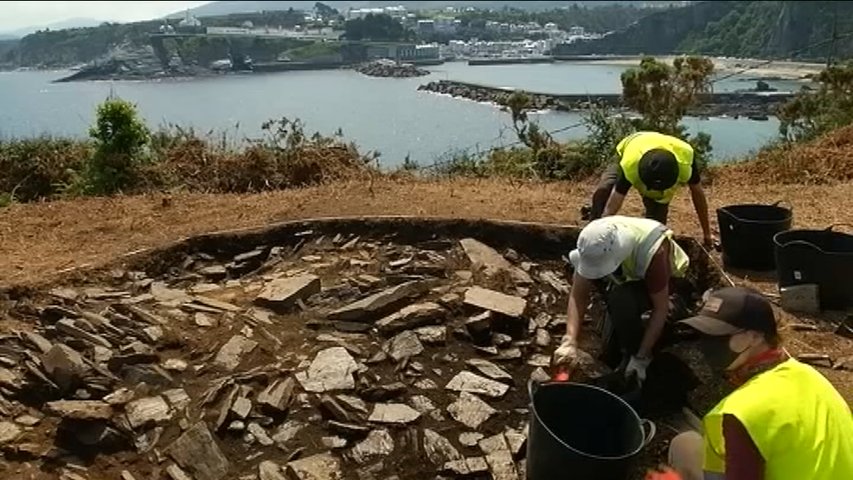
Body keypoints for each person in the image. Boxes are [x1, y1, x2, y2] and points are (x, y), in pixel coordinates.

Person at [663, 286, 853, 480]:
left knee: (684, 446)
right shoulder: (809, 376)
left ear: (755, 337)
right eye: (704, 335)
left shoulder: (741, 412)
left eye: (719, 336)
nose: (707, 345)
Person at [553, 215, 690, 384]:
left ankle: (639, 350)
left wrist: (641, 356)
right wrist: (570, 340)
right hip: (628, 277)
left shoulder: (653, 250)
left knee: (622, 298)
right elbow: (578, 294)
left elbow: (659, 308)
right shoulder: (593, 244)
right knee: (619, 300)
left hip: (668, 284)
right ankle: (620, 339)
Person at [585, 131, 713, 247]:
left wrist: (707, 234)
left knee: (656, 230)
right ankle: (591, 232)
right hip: (631, 146)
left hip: (664, 151)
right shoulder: (630, 165)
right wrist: (601, 229)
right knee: (604, 189)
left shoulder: (685, 163)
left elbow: (698, 196)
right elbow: (615, 200)